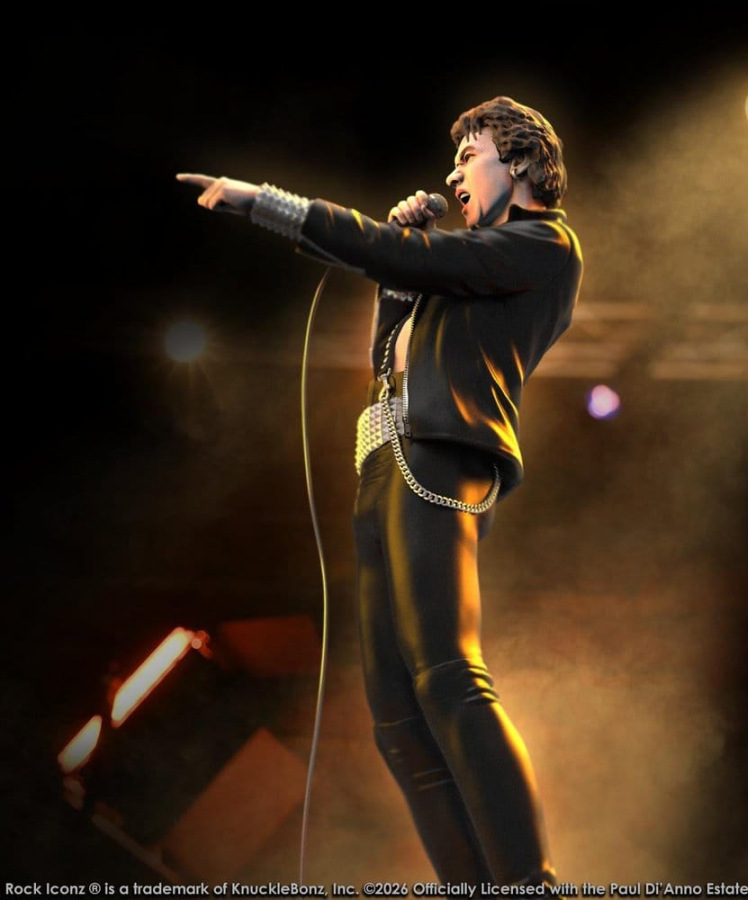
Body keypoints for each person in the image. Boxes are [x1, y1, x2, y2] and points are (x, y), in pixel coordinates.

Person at [177, 95, 583, 888]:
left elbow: (394, 254)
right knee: (395, 718)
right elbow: (390, 351)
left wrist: (267, 204)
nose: (454, 173)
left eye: (470, 155)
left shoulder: (544, 245)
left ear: (521, 162)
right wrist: (398, 282)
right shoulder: (466, 268)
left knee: (448, 674)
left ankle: (527, 885)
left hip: (440, 460)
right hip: (385, 464)